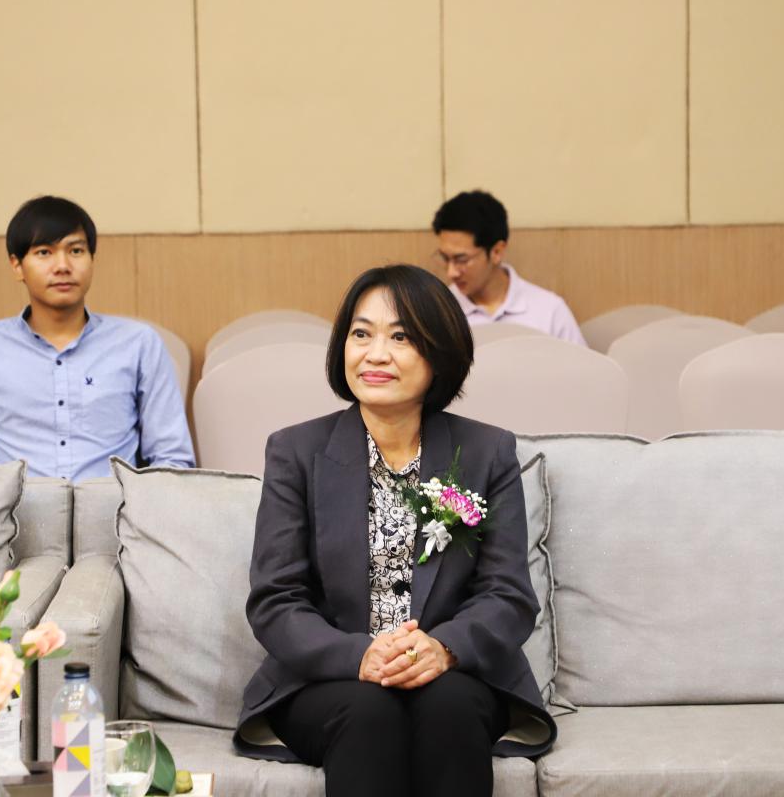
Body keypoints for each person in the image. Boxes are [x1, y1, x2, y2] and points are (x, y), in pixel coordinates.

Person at [235, 265, 555, 796]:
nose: (376, 354)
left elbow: (508, 595)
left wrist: (443, 648)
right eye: (361, 334)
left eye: (401, 337)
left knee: (449, 705)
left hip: (454, 675)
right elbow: (276, 599)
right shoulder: (296, 452)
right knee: (369, 710)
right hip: (331, 679)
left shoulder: (486, 452)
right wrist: (359, 655)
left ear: (440, 353)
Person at [0, 196, 194, 481]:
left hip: (115, 509)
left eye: (76, 250)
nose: (62, 266)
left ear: (92, 260)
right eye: (44, 252)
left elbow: (172, 460)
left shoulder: (138, 344)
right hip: (18, 510)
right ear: (17, 266)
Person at [432, 189, 586, 345]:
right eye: (445, 258)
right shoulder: (438, 312)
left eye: (461, 259)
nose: (451, 272)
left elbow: (580, 361)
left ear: (497, 252)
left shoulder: (549, 310)